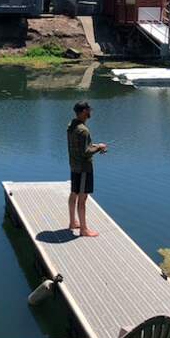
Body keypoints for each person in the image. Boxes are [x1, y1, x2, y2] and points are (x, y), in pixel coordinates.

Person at [67, 101, 107, 237]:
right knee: (83, 198)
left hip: (74, 166)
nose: (90, 112)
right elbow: (86, 151)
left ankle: (73, 222)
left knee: (74, 193)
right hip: (84, 168)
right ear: (84, 111)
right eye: (89, 110)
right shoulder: (83, 130)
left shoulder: (72, 126)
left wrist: (95, 145)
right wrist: (99, 147)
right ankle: (83, 229)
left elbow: (81, 146)